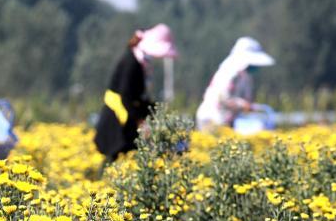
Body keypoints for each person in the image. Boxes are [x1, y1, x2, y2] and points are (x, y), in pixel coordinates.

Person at [94, 24, 178, 166]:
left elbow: (138, 96)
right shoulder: (131, 61)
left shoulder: (140, 61)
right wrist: (140, 120)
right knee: (113, 162)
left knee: (126, 163)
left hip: (127, 117)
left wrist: (156, 111)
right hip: (117, 119)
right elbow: (126, 96)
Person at [196, 37, 275, 130]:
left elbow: (246, 100)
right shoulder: (230, 71)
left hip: (227, 120)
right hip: (211, 118)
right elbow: (223, 99)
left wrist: (247, 106)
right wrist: (243, 105)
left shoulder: (245, 76)